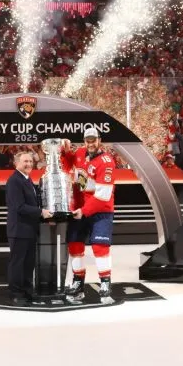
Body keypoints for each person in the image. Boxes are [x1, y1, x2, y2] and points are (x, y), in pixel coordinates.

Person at [63, 127, 116, 304]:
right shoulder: (80, 153)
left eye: (93, 140)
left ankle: (105, 284)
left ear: (99, 140)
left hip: (100, 211)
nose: (90, 143)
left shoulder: (107, 161)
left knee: (100, 247)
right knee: (74, 245)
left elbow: (103, 196)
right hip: (80, 209)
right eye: (87, 140)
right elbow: (67, 164)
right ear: (84, 141)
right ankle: (78, 283)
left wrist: (84, 211)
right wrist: (64, 151)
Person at [5, 150, 51, 306]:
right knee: (18, 263)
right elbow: (19, 207)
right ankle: (15, 293)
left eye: (30, 162)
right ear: (16, 163)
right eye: (25, 161)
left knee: (28, 263)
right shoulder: (14, 181)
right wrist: (41, 212)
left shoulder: (27, 179)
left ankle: (27, 291)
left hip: (29, 230)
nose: (29, 164)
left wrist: (44, 215)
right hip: (19, 230)